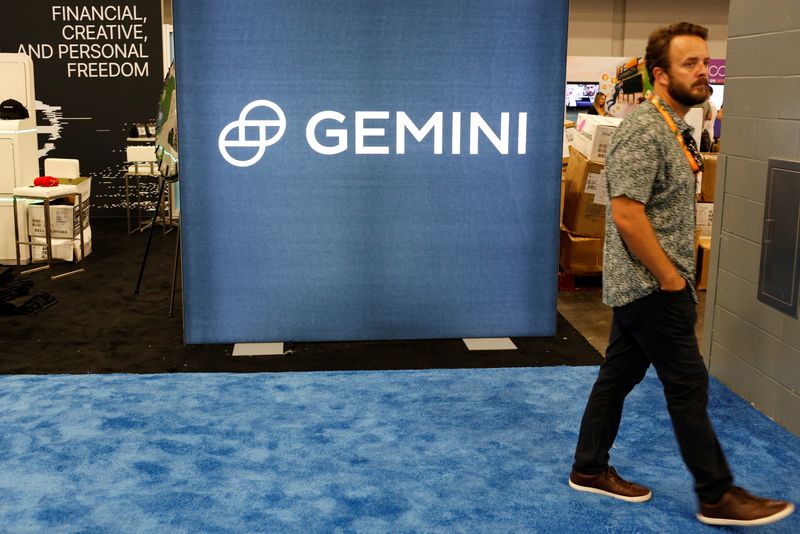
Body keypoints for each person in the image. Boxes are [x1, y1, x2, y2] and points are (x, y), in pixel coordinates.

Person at [567, 22, 794, 527]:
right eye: (689, 63)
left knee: (618, 376)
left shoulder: (676, 126)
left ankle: (588, 468)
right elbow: (626, 213)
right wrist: (670, 278)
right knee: (688, 384)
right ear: (659, 75)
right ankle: (717, 494)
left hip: (650, 284)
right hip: (652, 285)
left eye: (704, 61)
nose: (703, 71)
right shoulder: (645, 129)